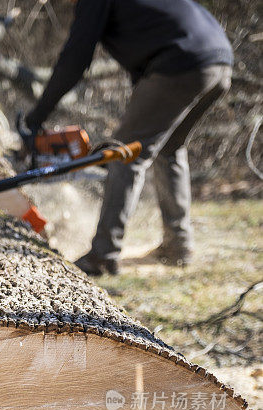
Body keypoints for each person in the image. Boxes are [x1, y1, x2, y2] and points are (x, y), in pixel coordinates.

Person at [24, 0, 233, 274]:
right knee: (170, 148)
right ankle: (178, 245)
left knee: (127, 154)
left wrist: (36, 118)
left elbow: (74, 59)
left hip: (182, 62)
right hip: (219, 61)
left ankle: (103, 255)